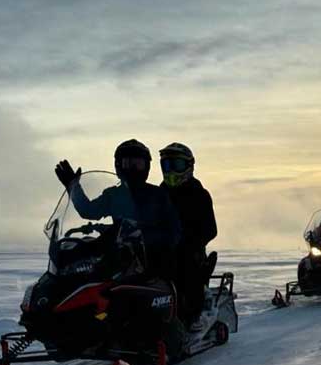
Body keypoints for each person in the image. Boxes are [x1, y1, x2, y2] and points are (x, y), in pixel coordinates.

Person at [54, 139, 181, 276]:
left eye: (138, 164)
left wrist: (147, 237)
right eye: (128, 163)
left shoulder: (158, 194)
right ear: (119, 165)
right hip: (119, 259)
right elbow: (88, 210)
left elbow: (174, 230)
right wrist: (74, 187)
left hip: (151, 261)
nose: (133, 169)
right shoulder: (114, 194)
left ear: (147, 166)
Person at [158, 142, 218, 329]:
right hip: (161, 247)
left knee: (185, 268)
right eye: (167, 165)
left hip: (189, 250)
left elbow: (210, 229)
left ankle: (196, 314)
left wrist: (189, 241)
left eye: (176, 165)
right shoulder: (159, 194)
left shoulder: (198, 194)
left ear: (189, 166)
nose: (171, 170)